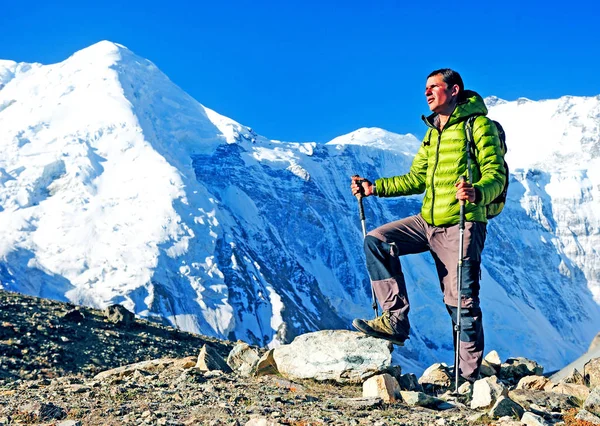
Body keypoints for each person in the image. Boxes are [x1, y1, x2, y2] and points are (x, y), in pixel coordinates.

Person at [350, 68, 506, 382]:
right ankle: (395, 320)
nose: (427, 92)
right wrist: (374, 188)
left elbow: (496, 173)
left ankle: (469, 378)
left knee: (461, 301)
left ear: (455, 90)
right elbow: (417, 178)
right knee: (376, 241)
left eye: (434, 87)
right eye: (426, 88)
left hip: (462, 222)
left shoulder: (479, 126)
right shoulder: (433, 131)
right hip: (428, 221)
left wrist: (477, 192)